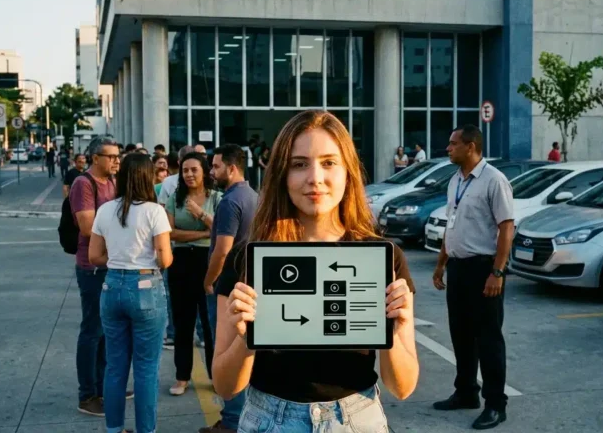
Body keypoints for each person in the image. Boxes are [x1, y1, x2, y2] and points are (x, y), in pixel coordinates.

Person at [211, 110, 419, 432]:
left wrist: (394, 328)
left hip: (356, 419)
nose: (315, 178)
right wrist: (246, 340)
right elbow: (225, 387)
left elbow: (402, 387)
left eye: (329, 162)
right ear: (281, 173)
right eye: (299, 164)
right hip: (268, 419)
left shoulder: (383, 259)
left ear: (348, 171)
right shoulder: (248, 260)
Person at [431, 124, 514, 430]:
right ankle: (466, 392)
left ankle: (496, 404)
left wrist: (498, 271)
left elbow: (507, 227)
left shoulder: (494, 181)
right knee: (461, 335)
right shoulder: (455, 181)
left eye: (453, 144)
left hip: (484, 269)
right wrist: (441, 264)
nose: (448, 148)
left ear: (471, 146)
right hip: (458, 268)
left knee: (489, 338)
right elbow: (451, 226)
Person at [88, 153, 173, 433]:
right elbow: (165, 258)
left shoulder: (104, 210)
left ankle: (114, 429)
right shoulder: (154, 211)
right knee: (146, 369)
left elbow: (94, 256)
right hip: (146, 288)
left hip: (112, 287)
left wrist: (119, 259)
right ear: (147, 177)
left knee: (115, 366)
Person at [200, 143, 258, 433]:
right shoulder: (254, 197)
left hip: (229, 288)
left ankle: (232, 420)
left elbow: (222, 251)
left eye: (216, 166)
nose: (211, 171)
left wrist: (209, 281)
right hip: (249, 287)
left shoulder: (229, 201)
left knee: (226, 351)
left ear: (232, 168)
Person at [69, 137, 128, 416]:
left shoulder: (113, 183)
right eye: (112, 156)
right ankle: (87, 394)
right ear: (95, 158)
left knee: (108, 330)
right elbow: (86, 227)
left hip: (112, 262)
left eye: (118, 156)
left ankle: (105, 387)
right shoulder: (84, 184)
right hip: (92, 267)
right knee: (92, 330)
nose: (117, 160)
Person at [165, 152, 221, 395]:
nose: (188, 174)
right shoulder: (174, 199)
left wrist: (200, 213)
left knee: (210, 324)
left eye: (193, 170)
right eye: (184, 170)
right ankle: (181, 376)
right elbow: (170, 233)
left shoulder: (217, 198)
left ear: (204, 172)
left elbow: (220, 228)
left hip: (208, 262)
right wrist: (203, 234)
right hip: (181, 262)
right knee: (182, 322)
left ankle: (215, 376)